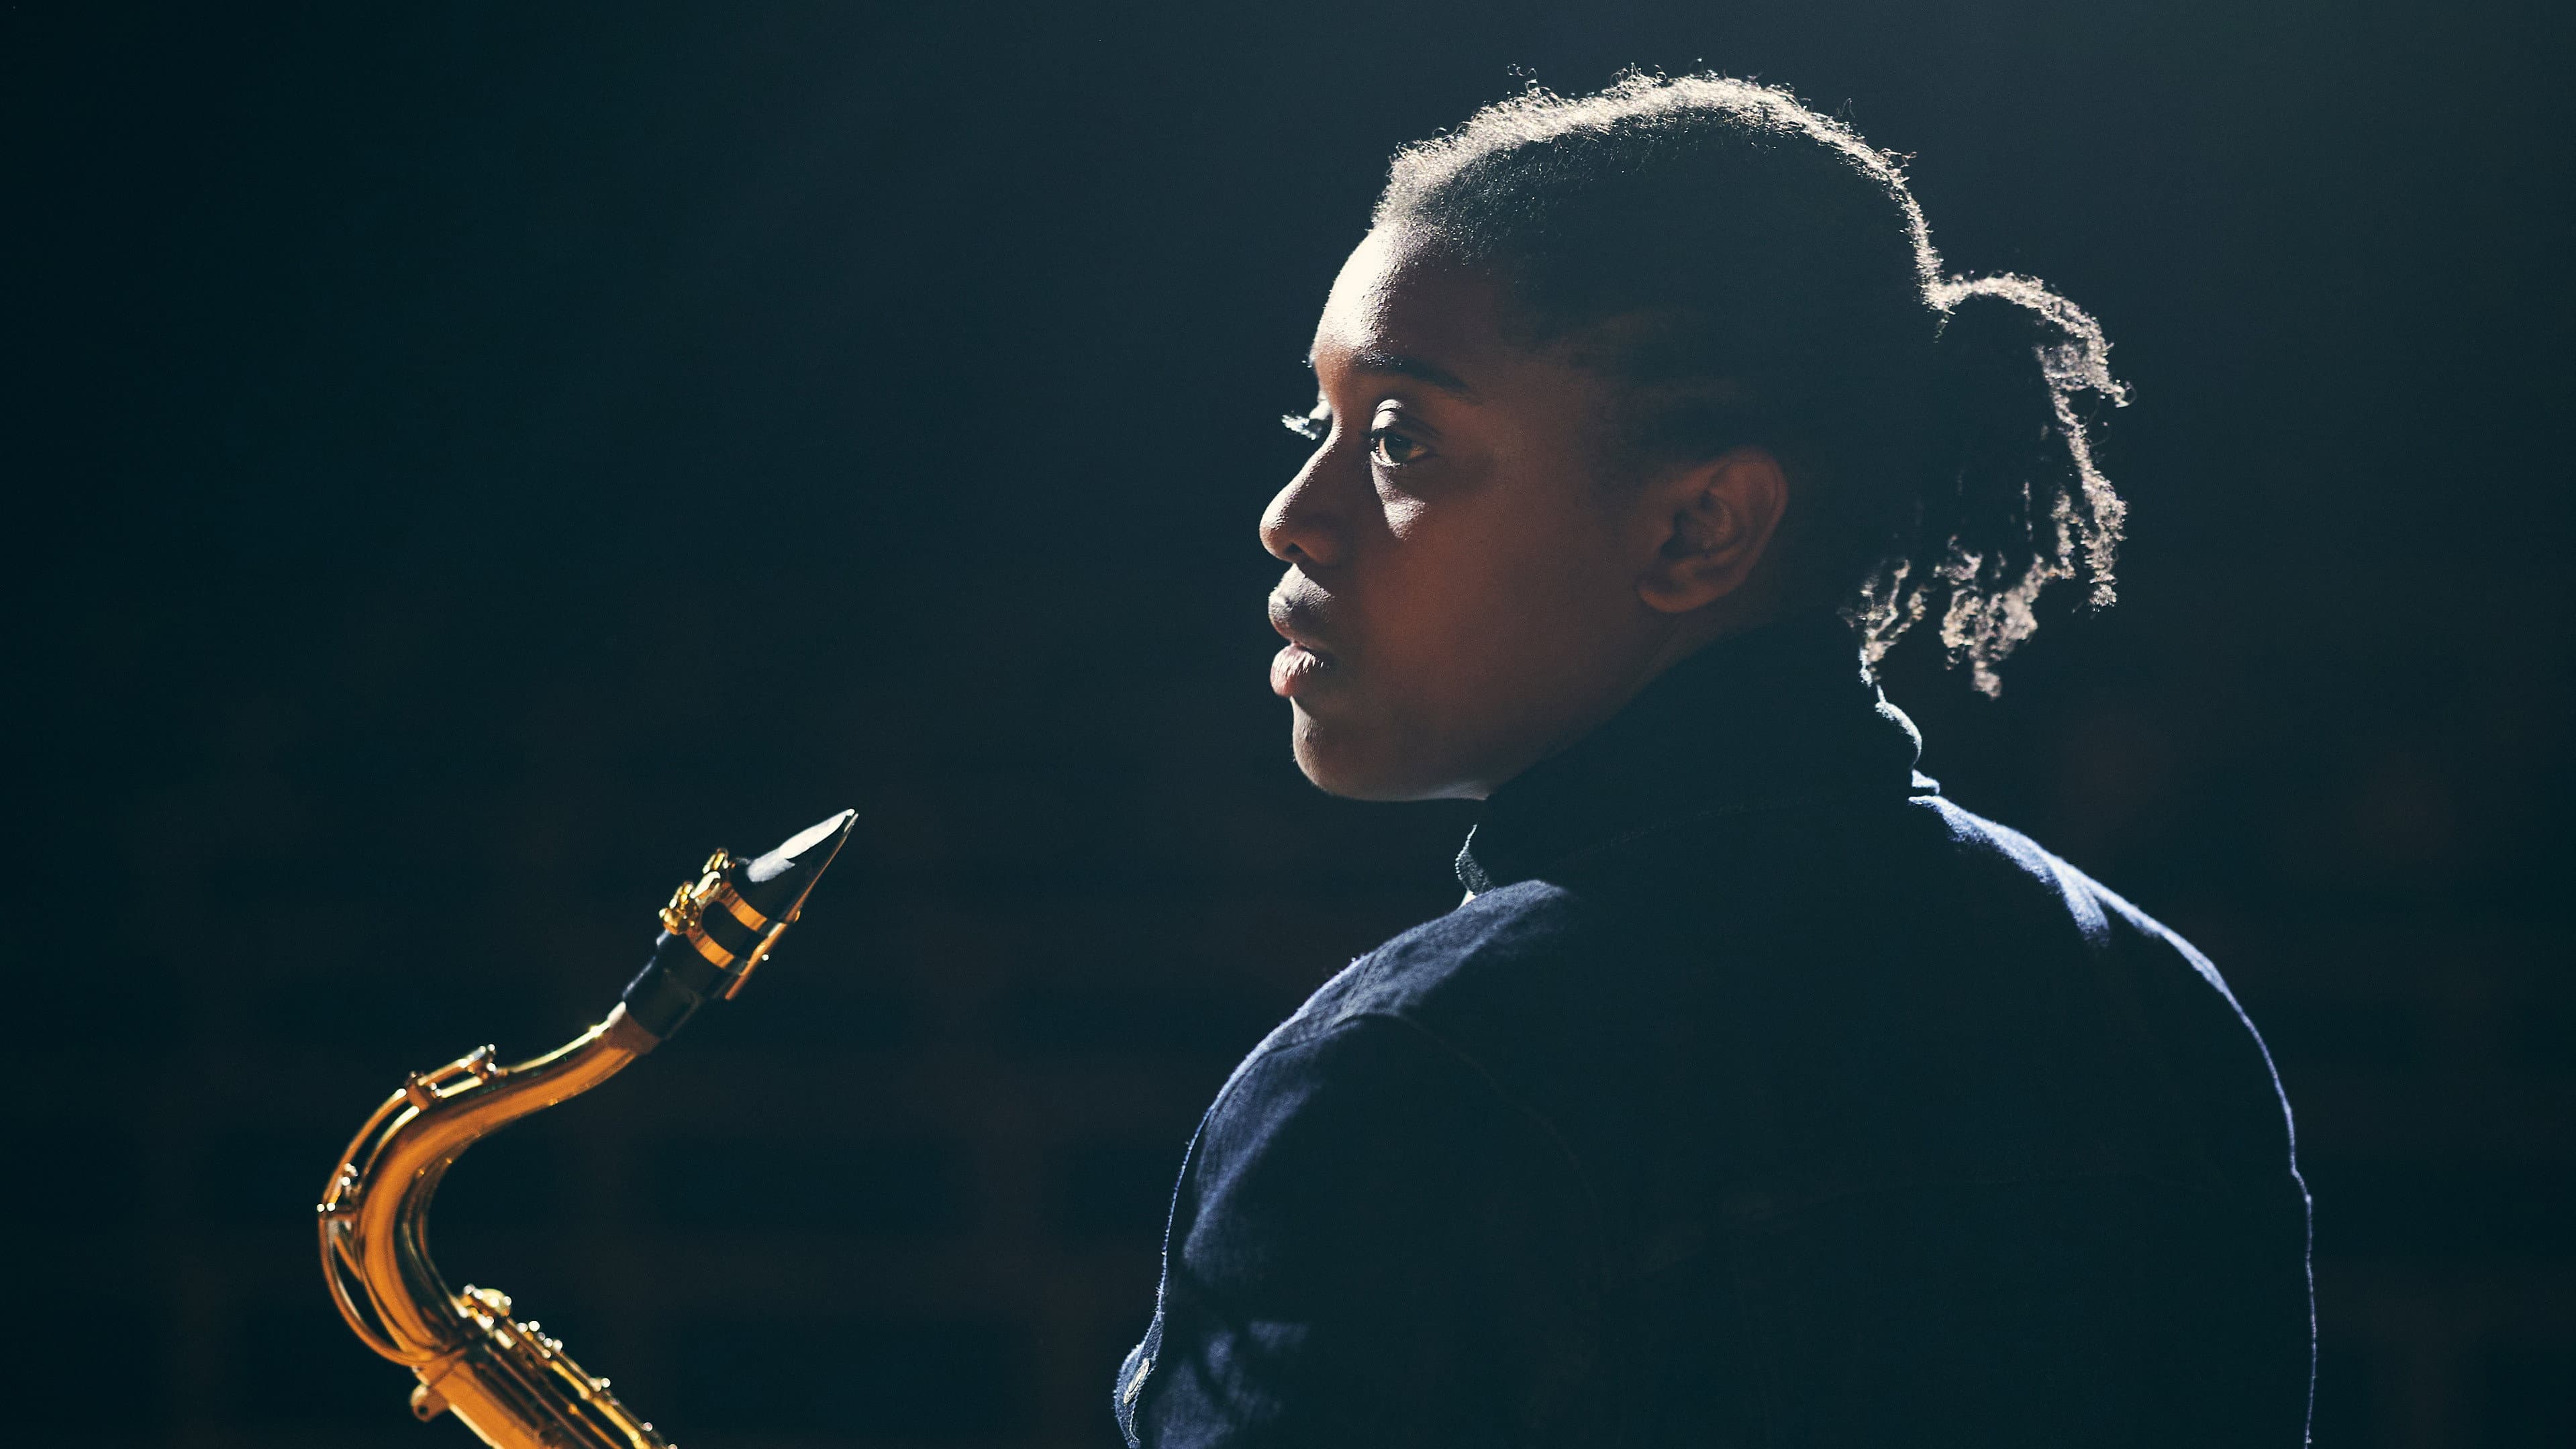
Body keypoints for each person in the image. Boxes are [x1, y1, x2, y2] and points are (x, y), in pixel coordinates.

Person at [1115, 74, 2313, 1448]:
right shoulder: (2156, 1015)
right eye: (1311, 426)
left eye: (1402, 438)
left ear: (1699, 528)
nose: (1291, 516)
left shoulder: (1410, 1084)